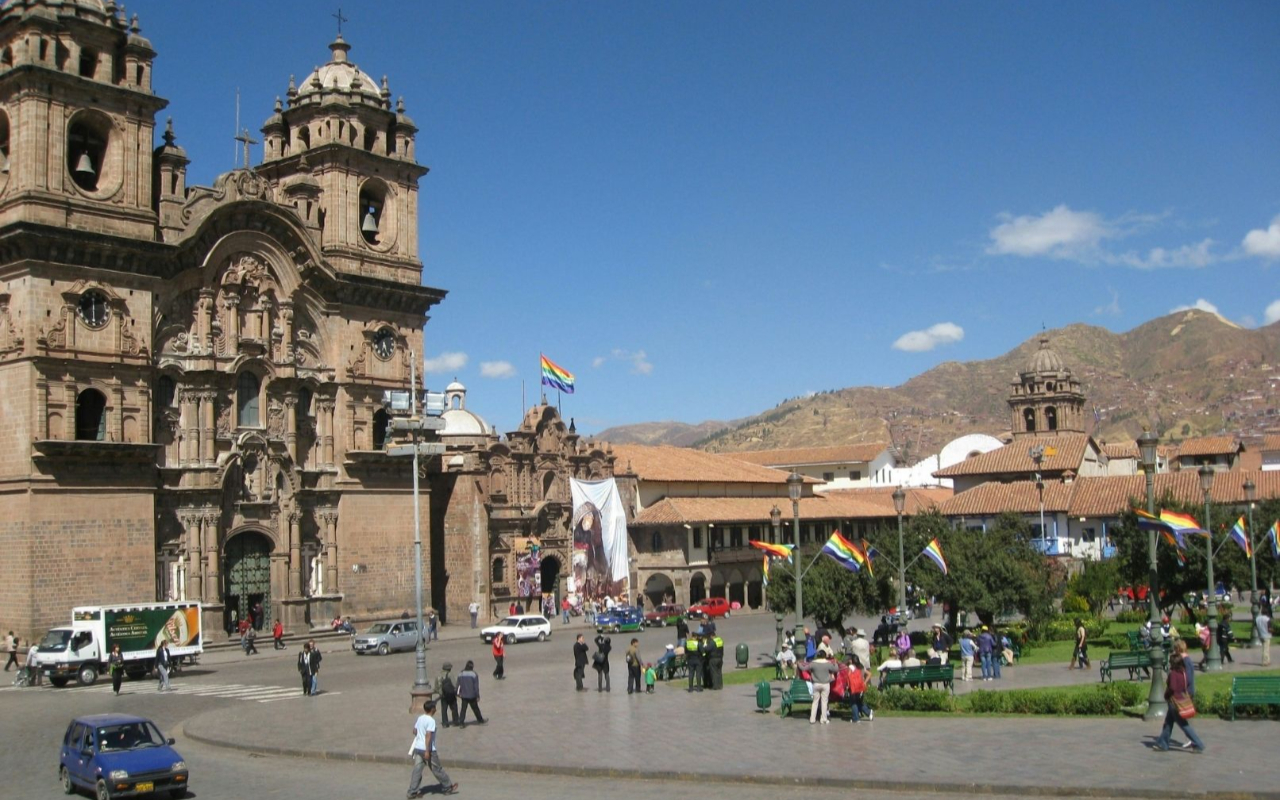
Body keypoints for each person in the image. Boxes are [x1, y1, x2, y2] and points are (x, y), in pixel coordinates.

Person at [1152, 650, 1205, 753]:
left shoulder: (1173, 674)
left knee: (1184, 725)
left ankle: (1198, 744)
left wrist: (1166, 695)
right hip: (1181, 699)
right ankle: (1163, 743)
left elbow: (1172, 687)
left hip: (1175, 702)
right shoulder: (1183, 673)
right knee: (1168, 723)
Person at [407, 698, 458, 797]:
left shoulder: (420, 718)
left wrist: (419, 734)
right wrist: (427, 751)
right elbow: (428, 735)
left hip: (418, 748)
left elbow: (414, 731)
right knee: (437, 769)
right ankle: (447, 786)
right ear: (432, 709)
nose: (436, 709)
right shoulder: (431, 721)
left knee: (417, 769)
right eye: (434, 707)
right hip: (428, 749)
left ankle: (412, 791)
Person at [808, 652, 835, 725]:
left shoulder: (813, 663)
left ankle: (812, 719)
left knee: (815, 701)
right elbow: (835, 669)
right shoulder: (828, 663)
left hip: (816, 684)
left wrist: (799, 664)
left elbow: (804, 668)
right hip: (825, 684)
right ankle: (823, 719)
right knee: (824, 702)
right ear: (825, 656)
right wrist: (835, 663)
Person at [456, 660, 485, 726]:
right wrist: (477, 695)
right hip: (472, 695)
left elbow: (458, 685)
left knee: (463, 709)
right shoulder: (474, 674)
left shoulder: (461, 673)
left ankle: (461, 722)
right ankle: (480, 720)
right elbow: (476, 686)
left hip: (464, 695)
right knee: (475, 708)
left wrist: (458, 693)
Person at [847, 658, 873, 723]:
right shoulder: (861, 666)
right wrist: (864, 682)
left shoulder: (851, 667)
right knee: (859, 702)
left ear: (852, 661)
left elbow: (848, 676)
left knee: (853, 702)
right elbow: (869, 674)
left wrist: (847, 685)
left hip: (853, 687)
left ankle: (856, 718)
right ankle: (868, 712)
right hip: (861, 687)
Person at [436, 662, 459, 727]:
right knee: (454, 708)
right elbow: (454, 684)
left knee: (444, 709)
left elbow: (436, 686)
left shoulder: (438, 675)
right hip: (450, 694)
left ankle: (445, 723)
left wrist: (440, 692)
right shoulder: (450, 674)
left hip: (443, 695)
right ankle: (455, 721)